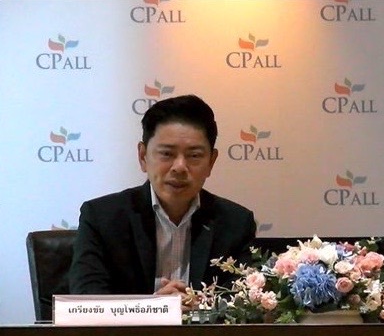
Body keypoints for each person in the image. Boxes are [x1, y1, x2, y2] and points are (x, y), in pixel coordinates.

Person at [69, 94, 257, 307]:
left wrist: (200, 308)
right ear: (143, 156)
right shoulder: (101, 217)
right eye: (167, 154)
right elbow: (88, 300)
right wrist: (154, 308)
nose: (179, 167)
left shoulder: (236, 223)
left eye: (194, 155)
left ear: (211, 162)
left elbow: (242, 302)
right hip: (130, 330)